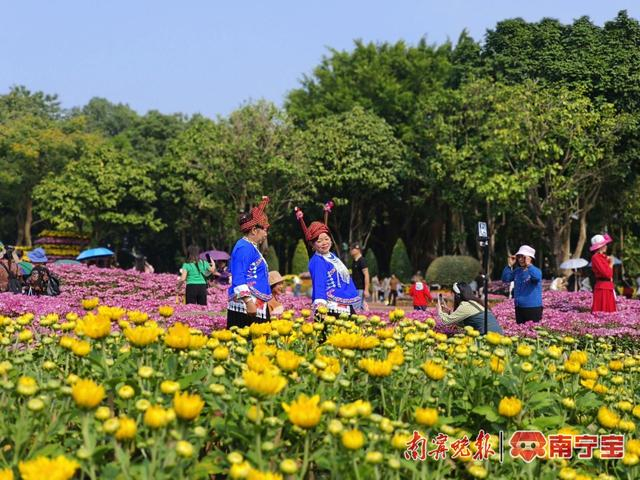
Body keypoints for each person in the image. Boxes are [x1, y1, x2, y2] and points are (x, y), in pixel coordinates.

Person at [295, 206, 360, 316]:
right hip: (330, 308)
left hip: (345, 305)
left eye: (326, 239)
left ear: (331, 240)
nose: (324, 243)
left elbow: (346, 280)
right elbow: (319, 283)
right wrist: (321, 306)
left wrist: (358, 300)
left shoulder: (333, 256)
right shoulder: (317, 261)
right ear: (312, 245)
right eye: (319, 241)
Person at [227, 196, 272, 328]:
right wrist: (248, 302)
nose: (266, 234)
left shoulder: (250, 247)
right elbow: (238, 275)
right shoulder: (243, 247)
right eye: (265, 230)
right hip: (247, 306)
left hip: (255, 304)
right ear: (254, 230)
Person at [438, 282, 503, 334]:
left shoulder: (465, 305)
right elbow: (461, 323)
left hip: (487, 336)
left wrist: (439, 308)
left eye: (452, 293)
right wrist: (449, 312)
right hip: (498, 335)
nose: (450, 296)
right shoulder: (475, 302)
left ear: (457, 295)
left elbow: (445, 321)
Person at [501, 245, 543, 324]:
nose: (520, 259)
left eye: (523, 257)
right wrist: (509, 265)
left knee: (533, 330)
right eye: (519, 257)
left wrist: (529, 265)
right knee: (520, 330)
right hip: (519, 307)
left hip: (533, 308)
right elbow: (506, 279)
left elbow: (536, 277)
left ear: (530, 258)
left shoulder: (536, 270)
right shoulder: (517, 271)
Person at [590, 234, 616, 313]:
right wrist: (611, 264)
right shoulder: (596, 257)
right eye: (604, 244)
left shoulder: (603, 257)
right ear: (600, 246)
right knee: (603, 311)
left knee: (609, 312)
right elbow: (607, 274)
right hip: (602, 288)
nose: (606, 246)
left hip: (607, 287)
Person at [349, 243, 369, 308]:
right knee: (360, 307)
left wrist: (366, 289)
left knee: (356, 308)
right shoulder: (354, 261)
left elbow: (366, 275)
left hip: (360, 288)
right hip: (354, 288)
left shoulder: (362, 261)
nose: (351, 251)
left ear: (358, 250)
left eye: (352, 249)